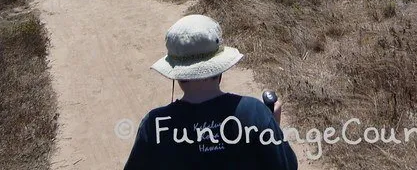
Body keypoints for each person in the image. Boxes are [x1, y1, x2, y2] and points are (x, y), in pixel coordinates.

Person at [123, 14, 298, 169]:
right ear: (219, 67)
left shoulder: (155, 125)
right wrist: (272, 127)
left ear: (177, 72)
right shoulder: (253, 112)